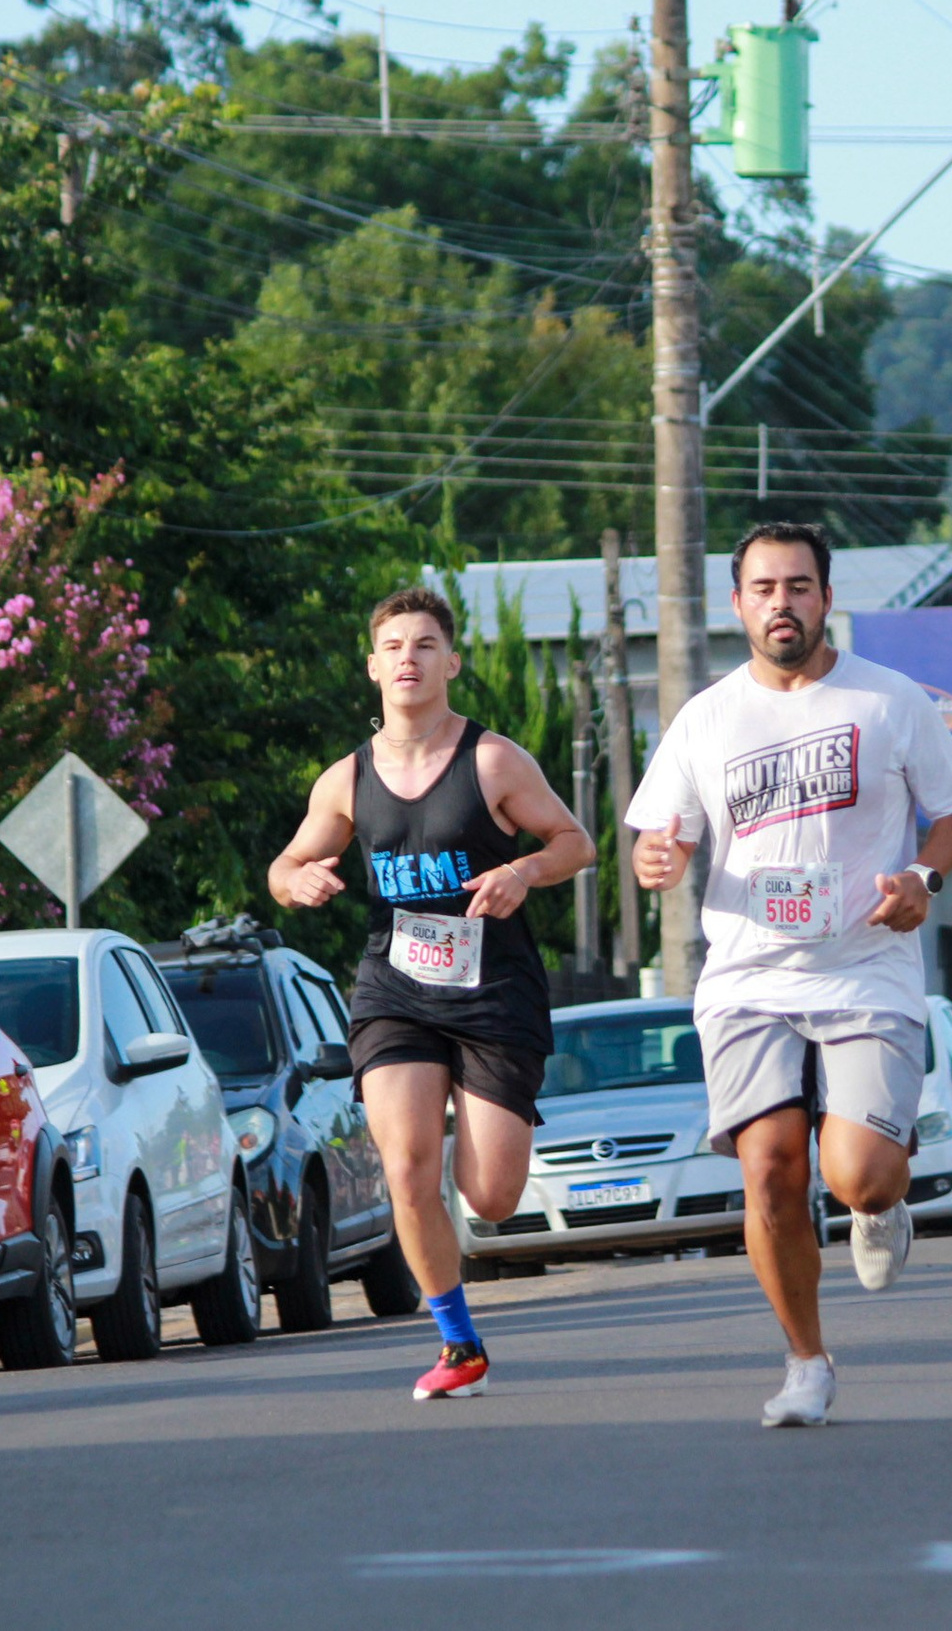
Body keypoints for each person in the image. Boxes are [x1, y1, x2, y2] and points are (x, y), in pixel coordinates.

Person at [628, 522, 952, 1428]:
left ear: (826, 598)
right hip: (747, 974)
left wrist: (924, 879)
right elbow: (658, 839)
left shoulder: (890, 699)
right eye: (762, 588)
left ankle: (879, 1207)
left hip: (866, 966)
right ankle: (805, 1361)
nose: (780, 603)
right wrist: (658, 861)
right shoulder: (706, 716)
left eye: (798, 586)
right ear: (737, 603)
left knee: (859, 1174)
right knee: (772, 1172)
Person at [267, 585, 596, 1400]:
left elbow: (576, 842)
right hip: (396, 988)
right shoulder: (345, 778)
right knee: (407, 1167)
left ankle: (479, 1111)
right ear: (372, 664)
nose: (407, 658)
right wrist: (296, 879)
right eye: (393, 645)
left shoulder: (492, 760)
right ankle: (459, 1344)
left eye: (424, 644)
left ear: (451, 661)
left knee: (490, 1194)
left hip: (495, 991)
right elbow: (281, 867)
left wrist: (523, 868)